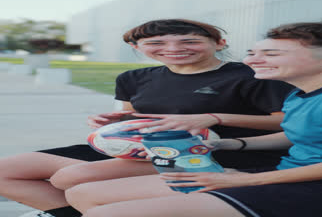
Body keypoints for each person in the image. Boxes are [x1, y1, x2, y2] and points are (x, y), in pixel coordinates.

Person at [65, 21, 322, 217]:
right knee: (85, 195)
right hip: (305, 174)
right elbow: (296, 138)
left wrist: (247, 178)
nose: (252, 60)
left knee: (111, 214)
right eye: (254, 52)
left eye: (270, 54)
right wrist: (225, 144)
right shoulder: (305, 93)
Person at [0, 19, 294, 217]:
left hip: (211, 153)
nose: (174, 49)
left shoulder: (252, 76)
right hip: (137, 150)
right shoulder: (133, 77)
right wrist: (115, 122)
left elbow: (287, 124)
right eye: (156, 44)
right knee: (6, 171)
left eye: (188, 41)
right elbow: (134, 118)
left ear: (219, 42)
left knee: (70, 179)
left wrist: (212, 118)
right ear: (136, 49)